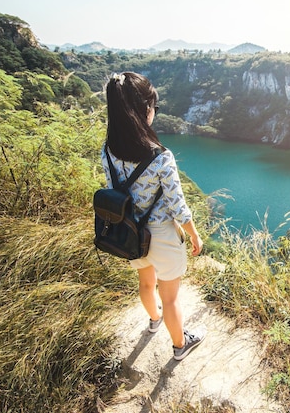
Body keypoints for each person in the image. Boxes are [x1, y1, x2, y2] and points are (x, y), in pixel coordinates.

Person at [103, 71, 205, 361]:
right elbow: (177, 205)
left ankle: (153, 321)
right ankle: (179, 346)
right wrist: (194, 233)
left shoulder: (108, 151)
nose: (154, 113)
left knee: (146, 283)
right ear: (143, 110)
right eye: (153, 107)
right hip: (161, 233)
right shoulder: (160, 155)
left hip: (130, 232)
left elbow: (114, 191)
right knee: (170, 297)